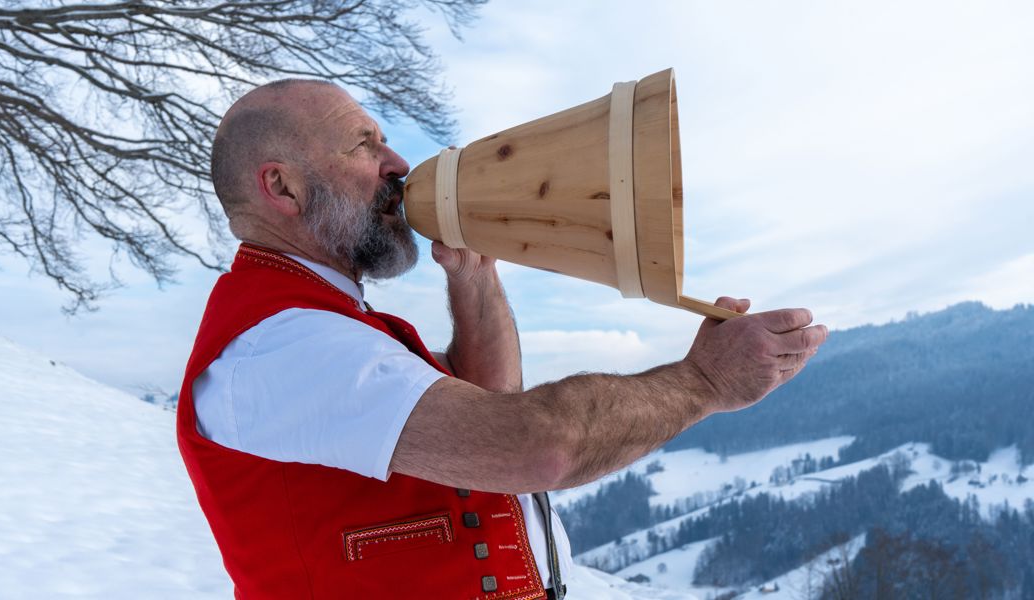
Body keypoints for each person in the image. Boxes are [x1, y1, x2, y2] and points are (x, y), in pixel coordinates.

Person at [177, 79, 828, 600]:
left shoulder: (327, 323)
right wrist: (703, 382)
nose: (399, 162)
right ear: (282, 186)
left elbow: (486, 403)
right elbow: (537, 446)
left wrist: (474, 271)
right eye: (363, 145)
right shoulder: (279, 346)